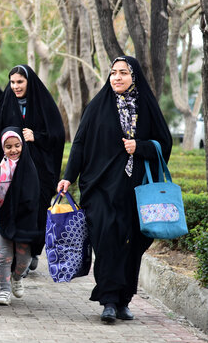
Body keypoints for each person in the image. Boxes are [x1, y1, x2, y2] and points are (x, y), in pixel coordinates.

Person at [58, 56, 172, 324]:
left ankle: (124, 300)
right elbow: (80, 143)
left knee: (130, 245)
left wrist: (140, 147)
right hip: (100, 188)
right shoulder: (97, 106)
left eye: (123, 73)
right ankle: (108, 299)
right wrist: (67, 177)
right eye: (113, 73)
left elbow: (164, 143)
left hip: (135, 192)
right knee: (106, 240)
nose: (117, 78)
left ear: (134, 77)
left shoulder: (147, 107)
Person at [0, 65, 65, 272]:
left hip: (39, 172)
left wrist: (37, 137)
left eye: (20, 82)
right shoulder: (6, 103)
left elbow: (58, 135)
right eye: (13, 82)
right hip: (11, 171)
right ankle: (15, 257)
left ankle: (33, 251)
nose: (16, 86)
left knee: (36, 213)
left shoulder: (43, 102)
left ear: (29, 82)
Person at [0, 128, 40, 305]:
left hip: (23, 218)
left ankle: (16, 278)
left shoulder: (28, 166)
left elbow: (33, 194)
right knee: (4, 255)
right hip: (1, 217)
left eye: (17, 146)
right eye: (8, 146)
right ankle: (4, 290)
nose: (13, 150)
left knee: (24, 258)